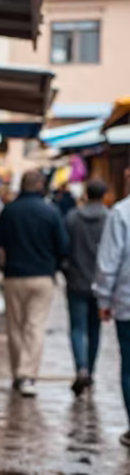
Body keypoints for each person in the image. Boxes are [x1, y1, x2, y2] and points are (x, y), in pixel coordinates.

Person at [0, 170, 69, 396]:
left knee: (15, 326)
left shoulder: (10, 211)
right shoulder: (51, 212)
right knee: (34, 327)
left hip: (14, 275)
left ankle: (18, 372)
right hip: (42, 276)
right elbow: (63, 247)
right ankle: (27, 375)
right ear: (40, 186)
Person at [93, 170, 130, 446]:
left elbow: (108, 263)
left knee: (129, 366)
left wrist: (104, 301)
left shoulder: (121, 213)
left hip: (128, 304)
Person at [64, 179, 108, 395]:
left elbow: (64, 247)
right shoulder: (110, 218)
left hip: (76, 280)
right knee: (94, 329)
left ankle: (81, 367)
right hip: (100, 284)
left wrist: (67, 269)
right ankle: (90, 371)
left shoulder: (73, 218)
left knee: (77, 327)